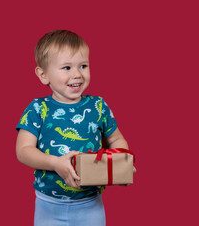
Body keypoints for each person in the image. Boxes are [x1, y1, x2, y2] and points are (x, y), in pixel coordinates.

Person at [16, 29, 129, 226]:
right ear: (43, 75)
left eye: (83, 66)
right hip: (48, 206)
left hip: (90, 205)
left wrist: (120, 165)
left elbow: (116, 139)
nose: (77, 74)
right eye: (66, 68)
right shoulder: (37, 108)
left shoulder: (98, 106)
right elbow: (23, 151)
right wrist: (55, 163)